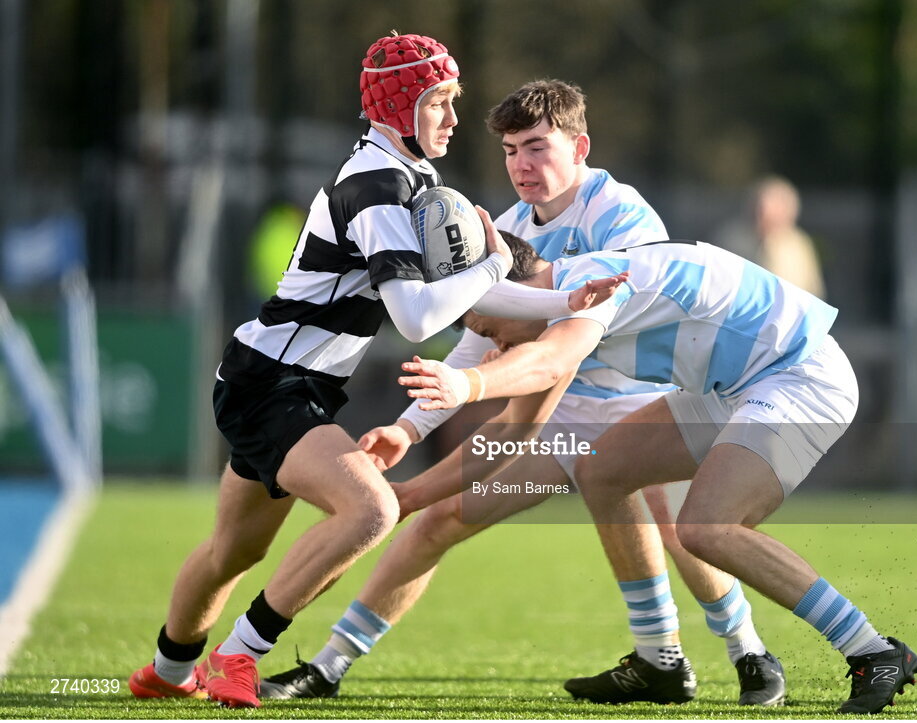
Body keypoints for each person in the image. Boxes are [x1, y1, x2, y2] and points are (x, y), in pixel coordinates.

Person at [126, 36, 621, 709]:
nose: (451, 118)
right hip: (272, 384)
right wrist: (494, 262)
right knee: (372, 508)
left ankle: (167, 669)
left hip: (280, 380)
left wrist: (562, 302)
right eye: (438, 103)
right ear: (397, 107)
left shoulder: (411, 181)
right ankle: (238, 653)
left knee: (231, 552)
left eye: (452, 102)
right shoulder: (378, 187)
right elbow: (418, 316)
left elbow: (469, 294)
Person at [261, 79, 785, 707]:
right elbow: (479, 339)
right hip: (554, 420)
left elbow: (595, 330)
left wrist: (487, 377)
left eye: (536, 146)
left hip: (635, 406)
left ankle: (747, 652)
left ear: (580, 146)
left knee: (673, 519)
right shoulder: (504, 229)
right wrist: (409, 428)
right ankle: (329, 666)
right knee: (438, 522)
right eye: (510, 151)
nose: (521, 165)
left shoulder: (623, 214)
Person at [399, 234, 917, 715]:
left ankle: (874, 651)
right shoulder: (563, 318)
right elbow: (516, 430)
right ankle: (659, 661)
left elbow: (542, 362)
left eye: (491, 328)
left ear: (515, 292)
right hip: (731, 388)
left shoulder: (591, 285)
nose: (498, 346)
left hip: (801, 374)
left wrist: (467, 382)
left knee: (706, 527)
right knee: (600, 471)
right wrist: (406, 495)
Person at [715, 175, 826, 298]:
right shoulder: (731, 238)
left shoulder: (797, 244)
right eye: (759, 208)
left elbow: (812, 290)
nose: (762, 215)